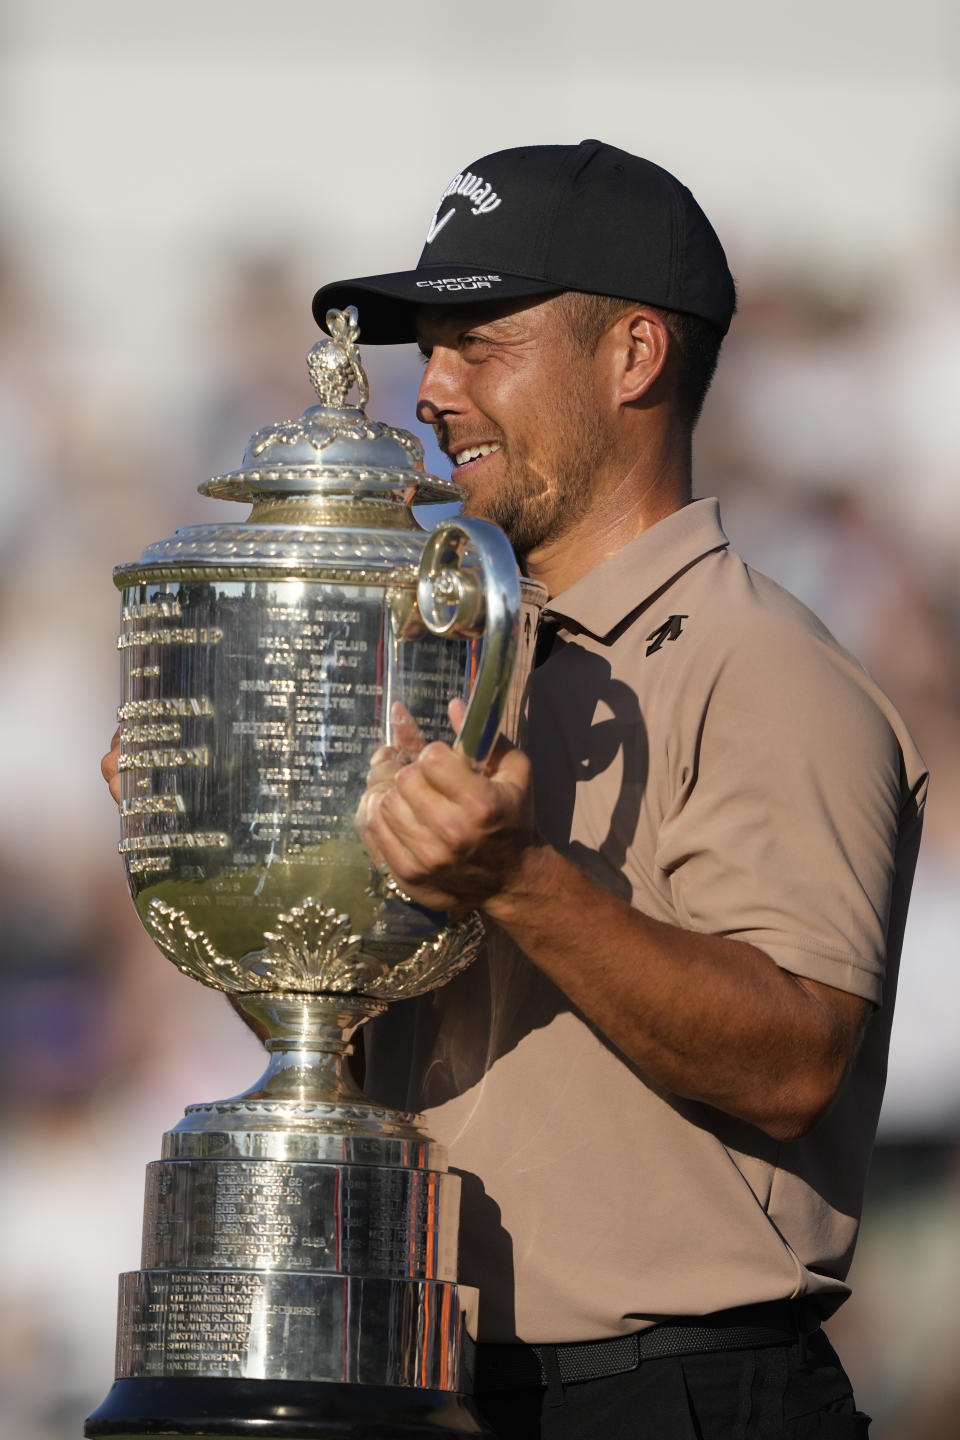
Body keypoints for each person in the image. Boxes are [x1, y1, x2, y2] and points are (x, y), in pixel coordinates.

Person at [103, 141, 926, 1437]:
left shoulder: (761, 667)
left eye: (478, 344)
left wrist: (517, 882)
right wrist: (219, 813)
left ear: (635, 357)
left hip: (670, 1399)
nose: (428, 390)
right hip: (420, 1379)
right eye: (425, 348)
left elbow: (792, 1061)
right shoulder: (436, 656)